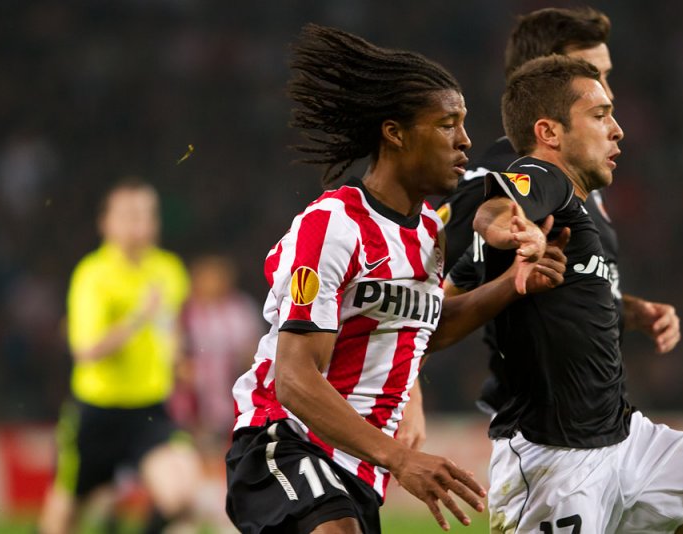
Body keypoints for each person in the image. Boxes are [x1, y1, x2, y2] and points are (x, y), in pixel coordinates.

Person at [224, 23, 551, 534]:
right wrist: (400, 458)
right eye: (448, 124)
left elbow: (425, 330)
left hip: (358, 464)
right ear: (394, 132)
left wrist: (512, 283)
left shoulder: (428, 232)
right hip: (286, 442)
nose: (465, 139)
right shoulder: (332, 225)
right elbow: (293, 378)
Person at [475, 54, 683, 533]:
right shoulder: (544, 179)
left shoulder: (589, 221)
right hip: (554, 466)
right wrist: (517, 233)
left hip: (629, 439)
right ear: (550, 132)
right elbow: (494, 210)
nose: (617, 129)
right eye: (600, 116)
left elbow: (573, 305)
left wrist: (632, 311)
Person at [435, 6, 680, 417]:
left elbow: (565, 279)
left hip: (591, 419)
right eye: (594, 74)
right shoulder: (495, 177)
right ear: (547, 74)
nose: (609, 93)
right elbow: (424, 294)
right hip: (538, 427)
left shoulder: (572, 175)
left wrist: (626, 308)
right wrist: (409, 398)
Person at [39, 179, 202, 534]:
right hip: (97, 412)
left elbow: (170, 328)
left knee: (181, 496)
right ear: (106, 223)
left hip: (148, 412)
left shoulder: (169, 270)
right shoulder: (93, 275)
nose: (139, 223)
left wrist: (178, 361)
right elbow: (85, 350)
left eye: (146, 214)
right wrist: (136, 318)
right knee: (63, 512)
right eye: (129, 215)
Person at [173, 254, 265, 449]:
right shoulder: (183, 310)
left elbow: (254, 350)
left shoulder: (240, 308)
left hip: (230, 397)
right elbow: (172, 351)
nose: (213, 283)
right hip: (192, 403)